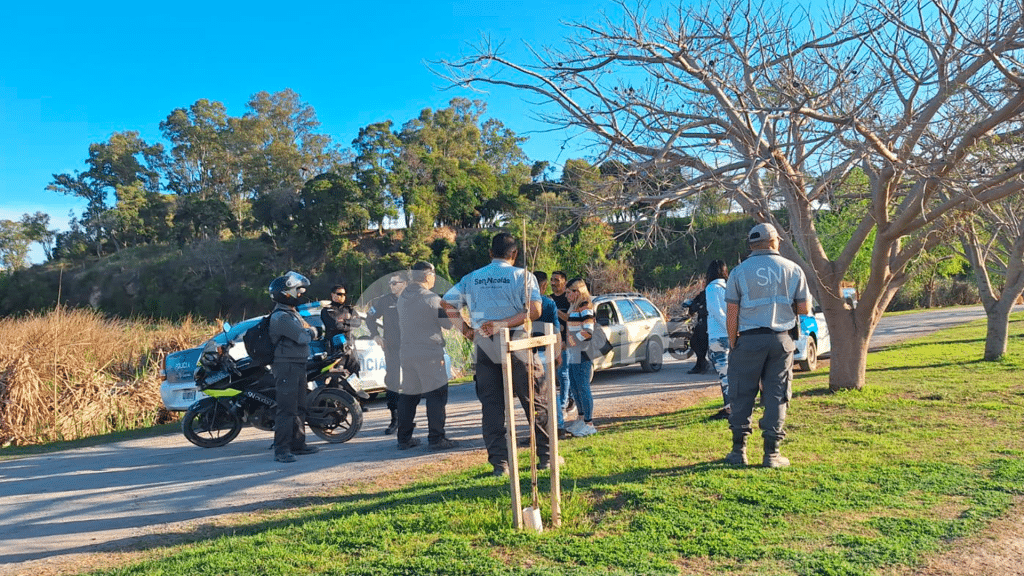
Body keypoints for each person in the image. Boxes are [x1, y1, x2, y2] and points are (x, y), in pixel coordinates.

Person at [443, 232, 552, 477]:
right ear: (514, 255)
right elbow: (534, 311)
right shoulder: (523, 276)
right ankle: (545, 457)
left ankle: (500, 465)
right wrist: (503, 323)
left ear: (490, 253)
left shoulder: (472, 278)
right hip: (517, 342)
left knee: (492, 406)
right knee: (534, 400)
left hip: (484, 343)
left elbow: (447, 304)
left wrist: (467, 331)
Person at [724, 223, 811, 468]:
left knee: (741, 393)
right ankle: (771, 454)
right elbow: (804, 309)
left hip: (748, 339)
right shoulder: (793, 269)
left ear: (752, 245)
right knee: (777, 394)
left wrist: (733, 343)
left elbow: (732, 313)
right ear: (774, 241)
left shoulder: (738, 272)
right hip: (781, 340)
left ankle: (738, 452)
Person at [395, 262, 458, 451]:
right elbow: (447, 324)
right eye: (434, 275)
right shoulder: (431, 299)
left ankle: (404, 438)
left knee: (408, 396)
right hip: (429, 353)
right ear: (426, 276)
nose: (434, 278)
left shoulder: (402, 298)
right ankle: (436, 438)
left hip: (407, 352)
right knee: (436, 396)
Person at [267, 271, 322, 463]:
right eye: (297, 290)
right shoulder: (281, 316)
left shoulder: (292, 313)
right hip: (286, 365)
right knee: (286, 409)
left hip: (297, 364)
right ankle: (281, 450)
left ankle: (298, 444)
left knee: (299, 406)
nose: (301, 293)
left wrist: (309, 330)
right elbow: (303, 336)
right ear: (285, 293)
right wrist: (314, 331)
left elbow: (305, 331)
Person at [366, 272, 407, 435]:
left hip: (411, 346)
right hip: (392, 347)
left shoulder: (412, 298)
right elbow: (369, 318)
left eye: (395, 283)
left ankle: (407, 417)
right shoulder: (384, 300)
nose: (391, 286)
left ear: (404, 284)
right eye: (390, 283)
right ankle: (395, 419)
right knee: (393, 383)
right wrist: (375, 335)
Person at [564, 278, 597, 437]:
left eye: (569, 292)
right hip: (574, 353)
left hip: (583, 352)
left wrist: (571, 340)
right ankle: (582, 418)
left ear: (577, 292)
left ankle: (589, 423)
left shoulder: (585, 307)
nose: (566, 295)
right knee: (575, 387)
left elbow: (588, 331)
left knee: (583, 387)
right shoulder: (575, 307)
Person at [704, 259, 731, 420]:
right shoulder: (729, 287)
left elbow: (716, 311)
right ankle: (733, 406)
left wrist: (727, 328)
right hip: (731, 335)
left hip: (718, 336)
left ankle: (729, 409)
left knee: (724, 374)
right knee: (731, 372)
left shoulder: (712, 288)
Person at [549, 270, 575, 427]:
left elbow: (571, 319)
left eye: (556, 280)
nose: (553, 283)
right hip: (551, 340)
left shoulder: (568, 298)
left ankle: (563, 404)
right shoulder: (548, 299)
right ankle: (569, 399)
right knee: (560, 374)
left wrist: (555, 309)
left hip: (566, 342)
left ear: (564, 282)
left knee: (563, 372)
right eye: (551, 280)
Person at [321, 283, 361, 377]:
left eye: (344, 294)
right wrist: (349, 323)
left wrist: (345, 321)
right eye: (339, 294)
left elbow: (358, 323)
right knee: (339, 374)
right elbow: (335, 325)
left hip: (350, 345)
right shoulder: (327, 310)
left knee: (354, 372)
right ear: (332, 295)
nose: (342, 296)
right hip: (335, 348)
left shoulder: (349, 309)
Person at [687, 289, 710, 374]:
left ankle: (702, 364)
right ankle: (701, 363)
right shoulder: (705, 292)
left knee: (699, 342)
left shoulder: (718, 289)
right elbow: (694, 305)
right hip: (703, 321)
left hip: (711, 321)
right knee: (694, 342)